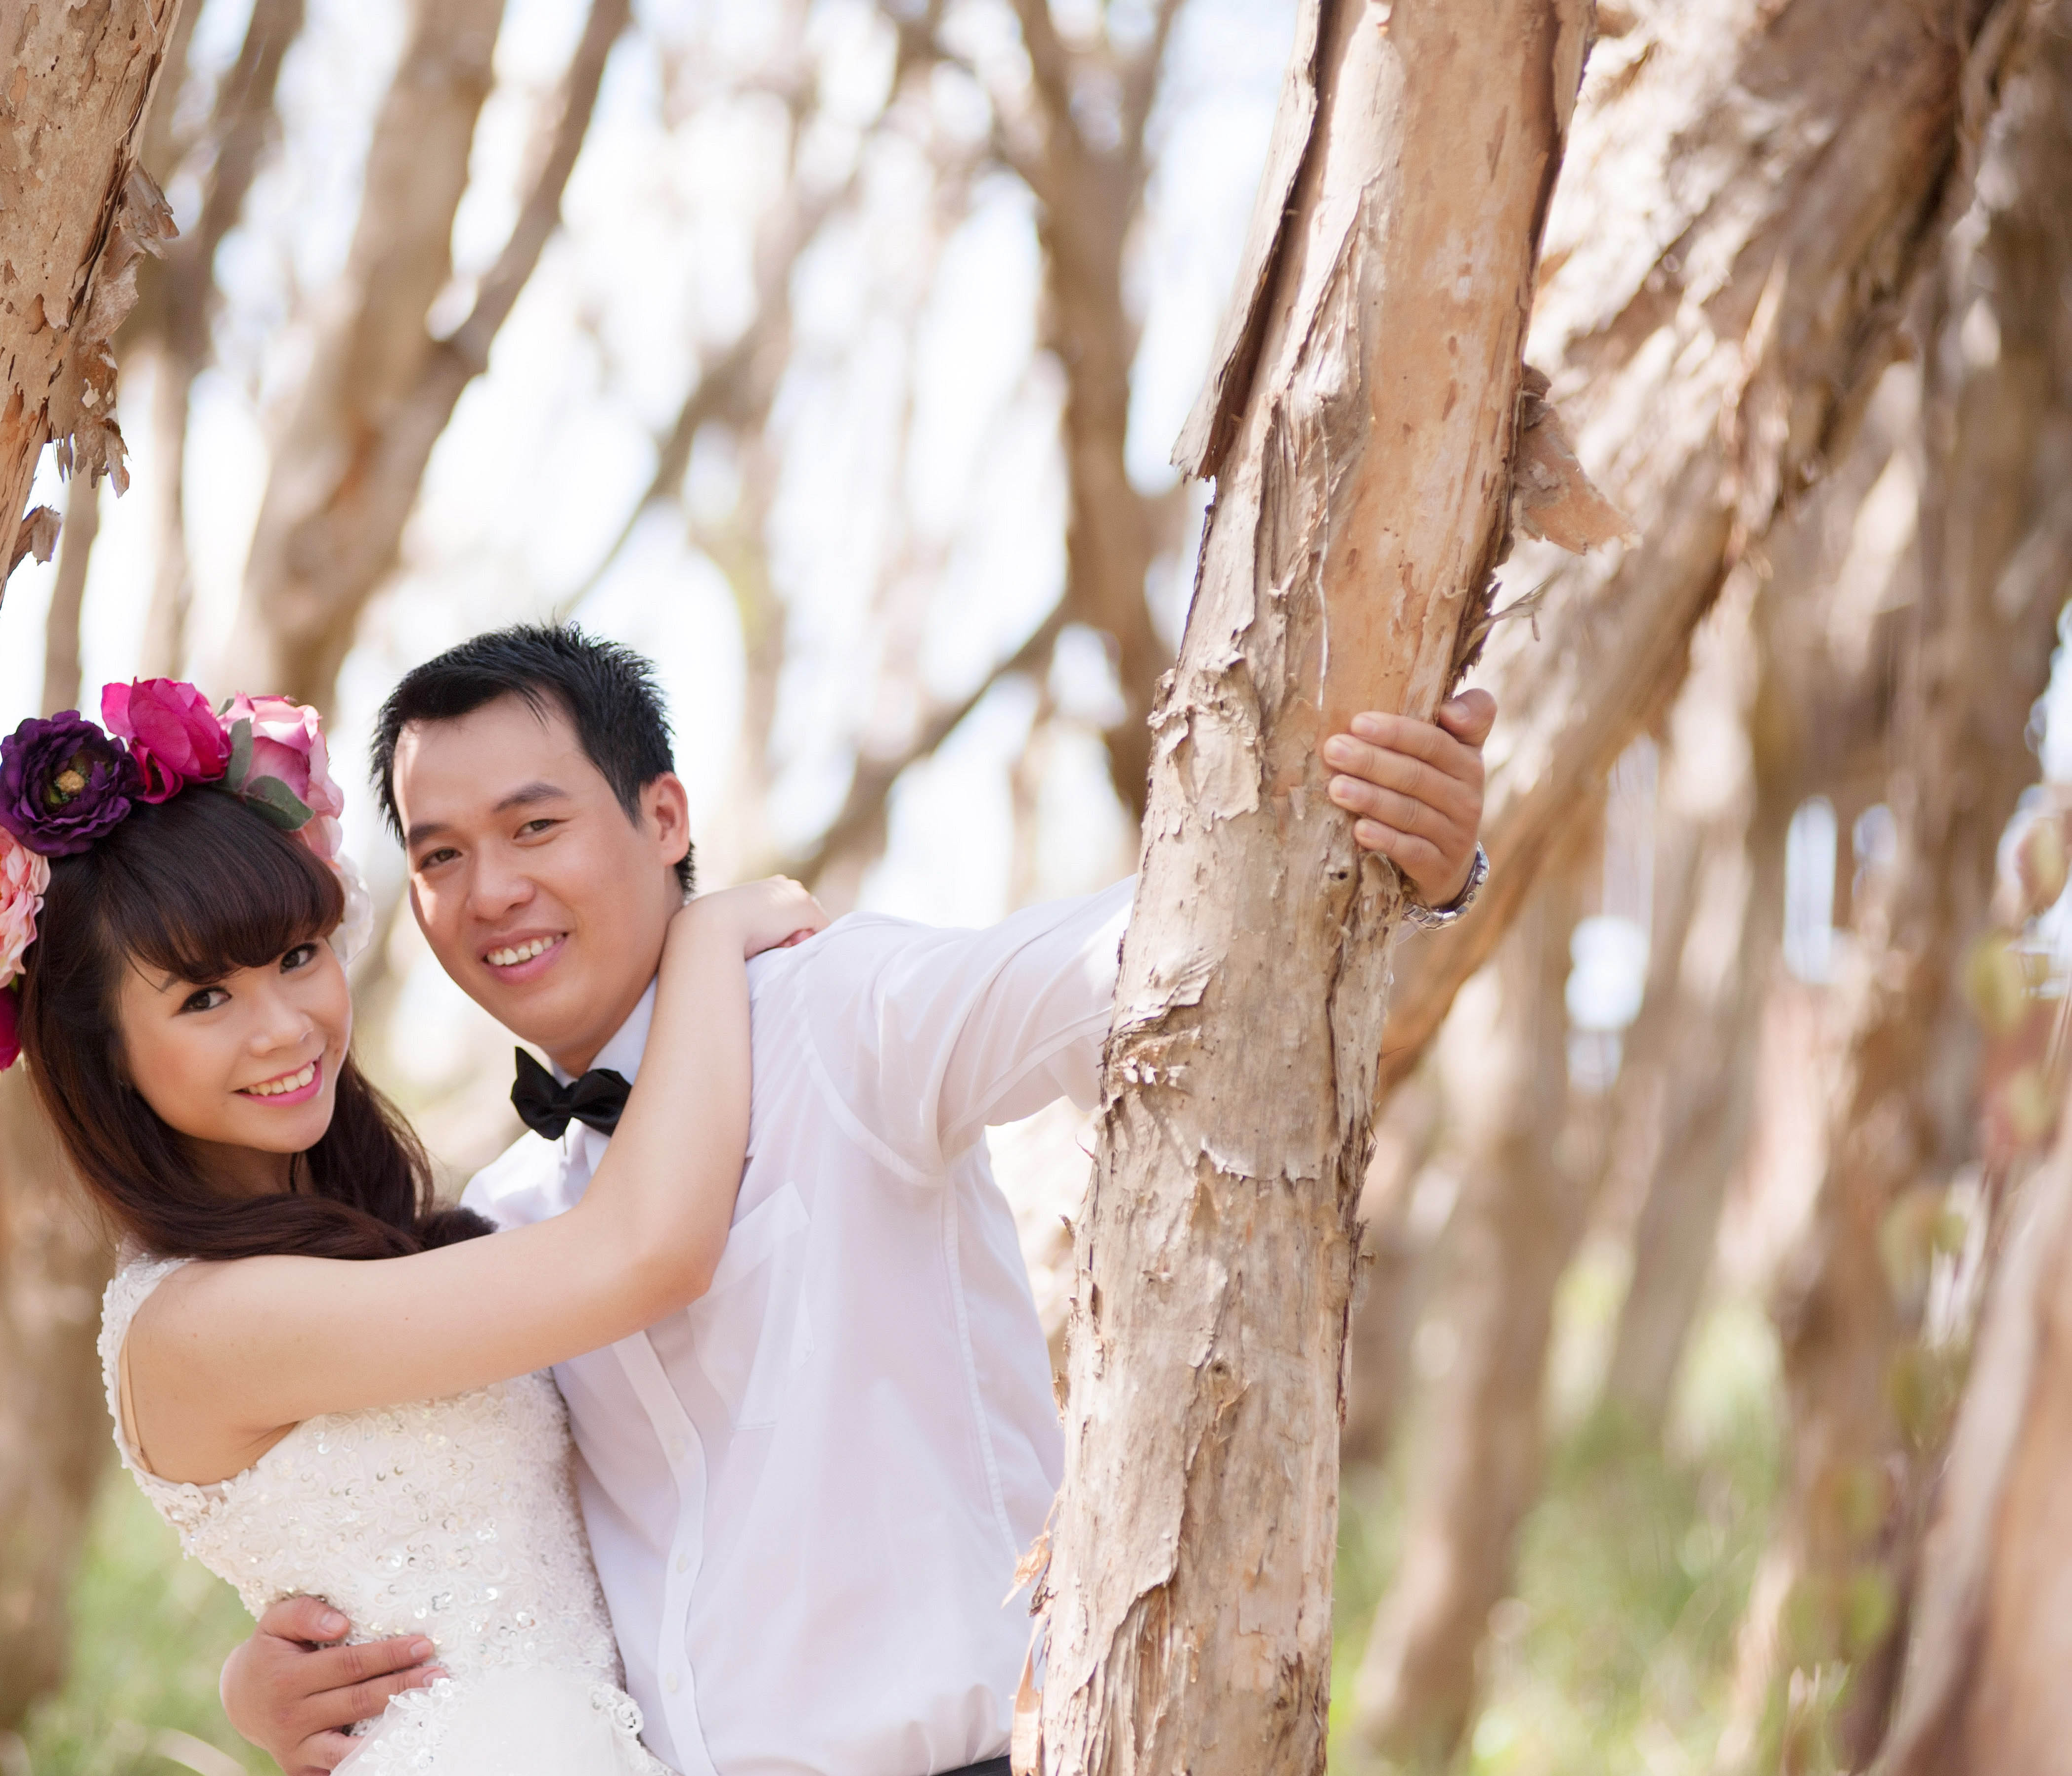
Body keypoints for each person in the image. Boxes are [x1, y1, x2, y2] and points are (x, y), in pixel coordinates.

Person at [219, 626, 1494, 1776]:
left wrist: (1415, 869)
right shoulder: (507, 1213)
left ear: (664, 817)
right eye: (441, 855)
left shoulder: (841, 1011)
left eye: (534, 828)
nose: (490, 890)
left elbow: (1131, 964)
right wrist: (270, 1683)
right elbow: (460, 1528)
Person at [0, 677, 826, 1776]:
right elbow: (649, 1254)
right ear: (105, 1053)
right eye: (203, 998)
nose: (284, 1028)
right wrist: (707, 938)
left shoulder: (376, 1242)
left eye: (296, 957)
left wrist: (253, 1683)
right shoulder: (203, 1319)